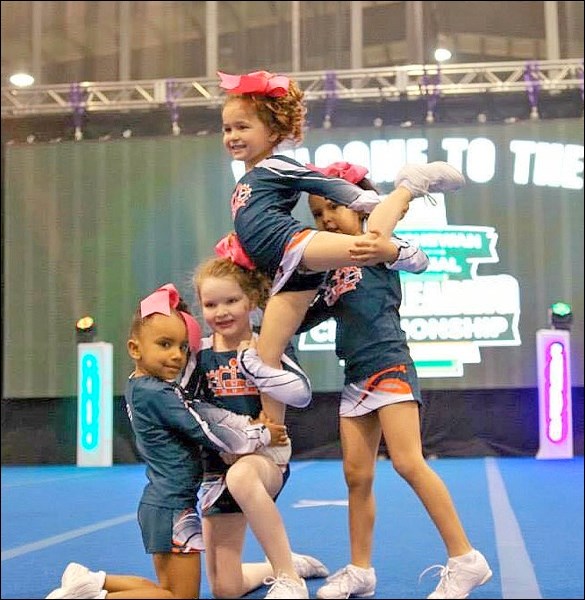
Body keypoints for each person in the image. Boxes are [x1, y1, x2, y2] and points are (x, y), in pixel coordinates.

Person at [216, 69, 467, 433]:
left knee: (369, 244)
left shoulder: (278, 165)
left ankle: (409, 187)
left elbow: (324, 183)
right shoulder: (250, 177)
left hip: (295, 244)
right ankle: (272, 432)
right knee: (268, 356)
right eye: (227, 129)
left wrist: (368, 199)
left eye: (242, 127)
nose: (233, 136)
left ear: (272, 132)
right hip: (289, 269)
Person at [298, 162, 492, 600]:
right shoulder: (329, 268)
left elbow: (418, 259)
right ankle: (361, 569)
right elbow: (304, 318)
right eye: (317, 212)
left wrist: (388, 249)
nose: (327, 218)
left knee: (408, 462)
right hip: (355, 378)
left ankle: (465, 558)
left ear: (361, 207)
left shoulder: (375, 246)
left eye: (335, 206)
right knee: (356, 475)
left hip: (389, 365)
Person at [45, 283, 288, 600]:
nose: (176, 355)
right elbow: (206, 428)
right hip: (172, 505)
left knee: (168, 591)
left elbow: (198, 409)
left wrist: (247, 424)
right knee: (178, 598)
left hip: (167, 502)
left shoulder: (144, 386)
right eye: (164, 344)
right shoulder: (156, 392)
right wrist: (261, 433)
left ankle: (93, 582)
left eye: (183, 347)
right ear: (135, 349)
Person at [179, 256, 329, 600]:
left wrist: (255, 364)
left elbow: (296, 395)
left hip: (265, 460)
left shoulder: (268, 345)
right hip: (219, 468)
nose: (222, 311)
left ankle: (288, 578)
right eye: (211, 304)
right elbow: (189, 409)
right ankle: (286, 563)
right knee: (225, 588)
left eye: (231, 301)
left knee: (242, 476)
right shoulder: (198, 355)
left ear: (250, 300)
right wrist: (224, 444)